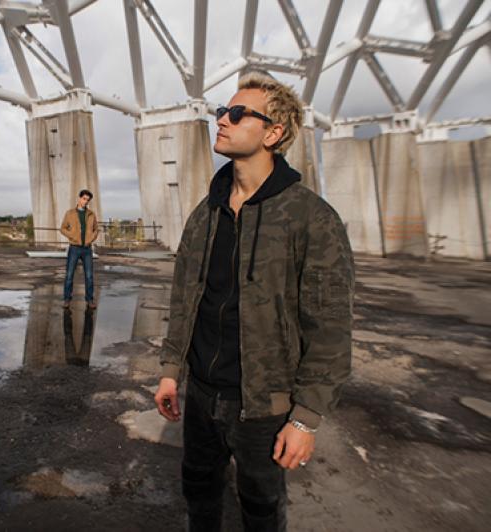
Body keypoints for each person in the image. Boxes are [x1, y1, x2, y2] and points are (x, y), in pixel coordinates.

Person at [153, 73, 354, 531]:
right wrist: (171, 371)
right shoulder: (205, 213)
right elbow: (185, 297)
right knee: (199, 496)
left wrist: (304, 419)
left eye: (237, 113)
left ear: (273, 133)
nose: (221, 120)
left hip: (264, 406)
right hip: (202, 396)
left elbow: (331, 326)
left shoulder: (311, 217)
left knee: (261, 509)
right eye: (222, 111)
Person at [60, 189, 99, 309]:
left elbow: (96, 229)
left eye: (88, 200)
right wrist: (72, 236)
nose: (85, 201)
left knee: (89, 276)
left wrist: (90, 239)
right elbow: (63, 228)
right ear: (79, 198)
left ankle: (89, 300)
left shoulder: (91, 214)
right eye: (84, 199)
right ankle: (67, 299)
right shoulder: (70, 213)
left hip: (87, 249)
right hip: (74, 248)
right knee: (69, 275)